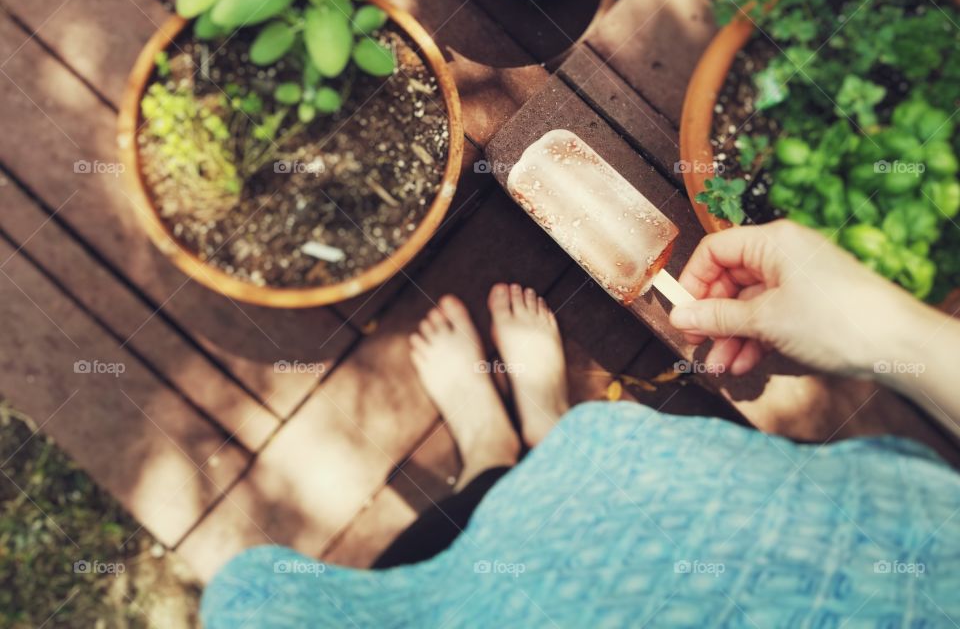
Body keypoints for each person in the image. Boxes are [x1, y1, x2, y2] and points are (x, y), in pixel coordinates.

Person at [202, 221, 960, 627]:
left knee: (476, 562)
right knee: (627, 483)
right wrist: (883, 336)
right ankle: (548, 427)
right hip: (837, 538)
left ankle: (493, 455)